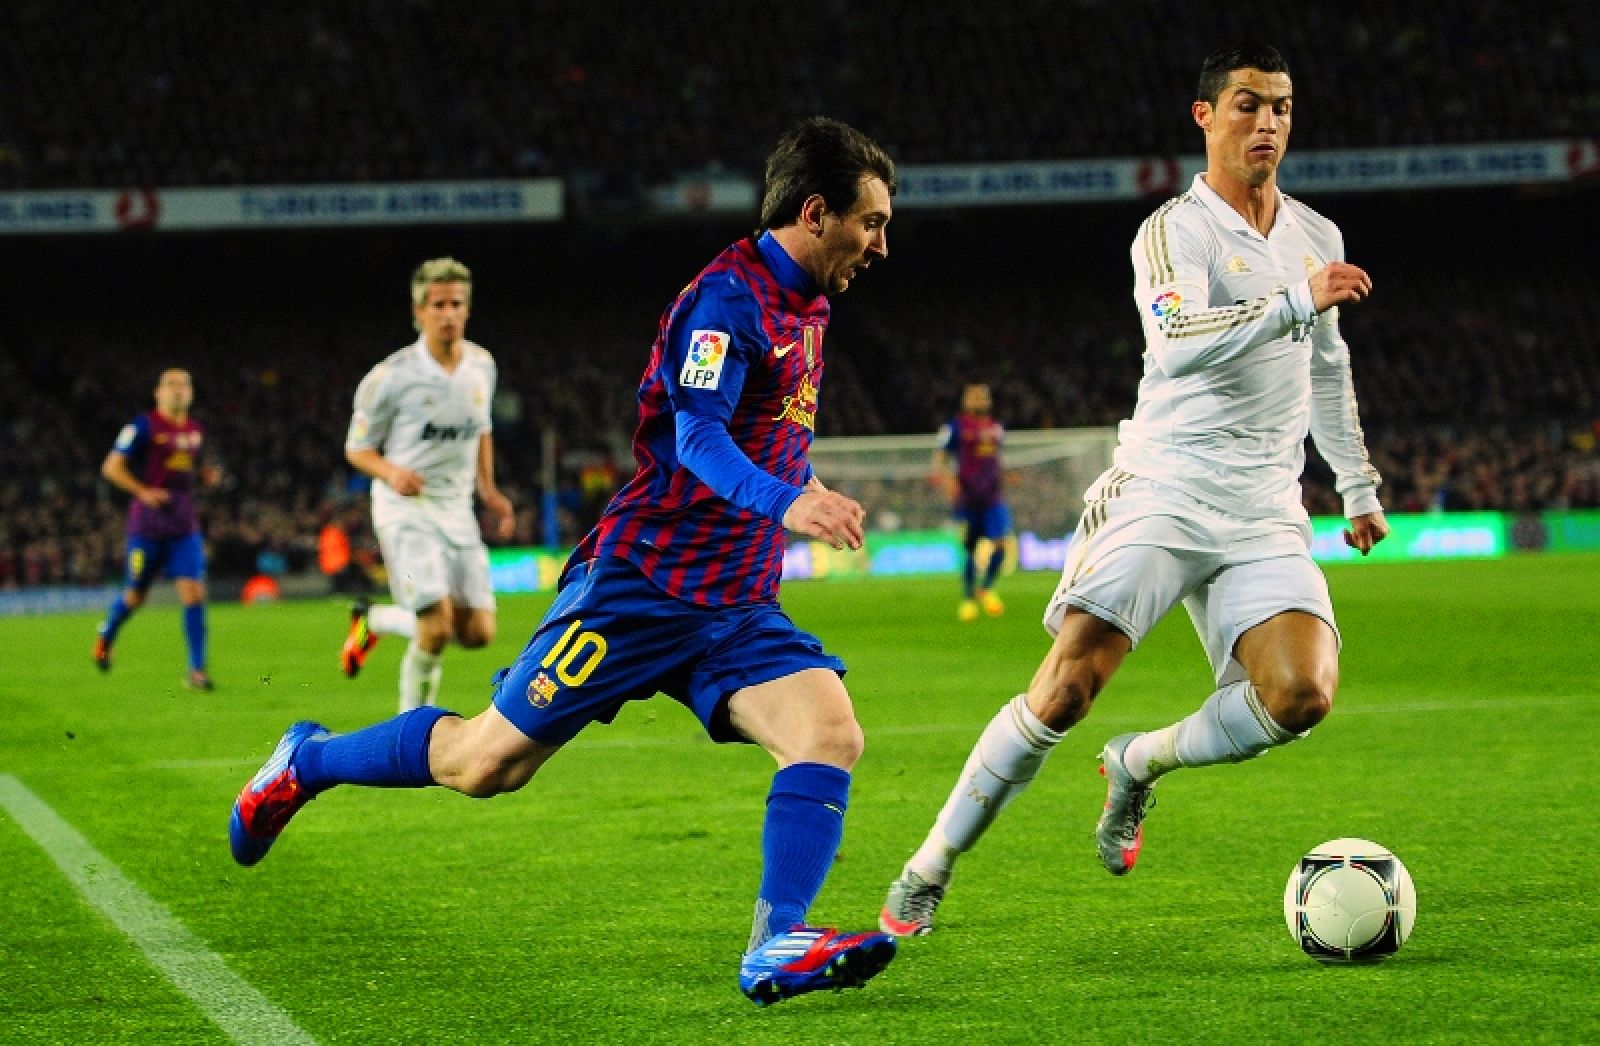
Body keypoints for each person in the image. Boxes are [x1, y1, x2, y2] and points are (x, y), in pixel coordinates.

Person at [231, 117, 900, 1006]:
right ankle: (305, 763)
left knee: (829, 734)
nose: (881, 245)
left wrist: (804, 483)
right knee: (485, 765)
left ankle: (777, 942)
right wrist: (789, 503)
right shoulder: (725, 302)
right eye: (871, 222)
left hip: (736, 603)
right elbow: (699, 438)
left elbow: (766, 430)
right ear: (816, 213)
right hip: (643, 587)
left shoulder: (809, 304)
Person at [880, 43, 1389, 937]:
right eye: (1247, 104)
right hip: (1165, 489)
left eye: (1280, 106)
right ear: (1205, 116)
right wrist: (1293, 301)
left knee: (1301, 696)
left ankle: (1138, 763)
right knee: (1067, 689)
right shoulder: (1173, 230)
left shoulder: (1317, 234)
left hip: (1265, 509)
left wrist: (1355, 483)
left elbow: (1327, 368)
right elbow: (1177, 343)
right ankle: (930, 864)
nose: (1266, 122)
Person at [337, 258, 515, 713]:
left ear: (467, 309)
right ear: (419, 313)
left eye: (456, 304)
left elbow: (481, 430)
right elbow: (357, 449)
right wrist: (391, 472)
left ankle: (374, 619)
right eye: (438, 305)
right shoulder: (390, 377)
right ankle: (411, 730)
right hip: (406, 510)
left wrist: (489, 491)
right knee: (435, 628)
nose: (448, 314)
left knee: (478, 633)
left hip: (456, 509)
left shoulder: (482, 365)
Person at [93, 368, 218, 691]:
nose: (178, 390)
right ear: (158, 393)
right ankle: (107, 634)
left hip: (184, 526)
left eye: (184, 385)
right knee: (135, 596)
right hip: (147, 527)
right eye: (171, 384)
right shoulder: (142, 427)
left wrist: (203, 478)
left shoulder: (195, 431)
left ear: (191, 393)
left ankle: (197, 670)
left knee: (194, 592)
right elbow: (111, 467)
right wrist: (143, 492)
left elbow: (185, 472)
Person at [936, 381, 1013, 622]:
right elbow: (940, 457)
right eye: (974, 397)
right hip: (968, 498)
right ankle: (968, 598)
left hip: (993, 498)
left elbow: (995, 458)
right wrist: (948, 482)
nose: (979, 400)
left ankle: (986, 588)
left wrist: (1002, 476)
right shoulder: (955, 427)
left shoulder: (996, 427)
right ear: (965, 401)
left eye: (983, 396)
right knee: (970, 548)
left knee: (1001, 544)